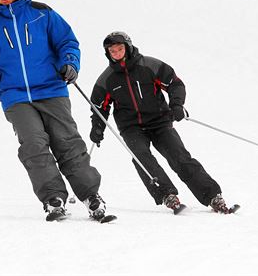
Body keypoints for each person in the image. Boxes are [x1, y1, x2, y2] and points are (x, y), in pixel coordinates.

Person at [0, 0, 107, 221]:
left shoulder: (42, 14)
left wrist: (70, 64)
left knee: (67, 142)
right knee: (33, 145)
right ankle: (53, 197)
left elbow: (67, 42)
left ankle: (90, 195)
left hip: (52, 89)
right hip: (16, 96)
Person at [89, 31, 232, 214]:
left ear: (128, 47)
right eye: (112, 51)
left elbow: (175, 83)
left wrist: (177, 105)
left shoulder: (149, 65)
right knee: (141, 157)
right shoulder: (106, 79)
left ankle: (212, 196)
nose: (116, 53)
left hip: (160, 122)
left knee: (179, 156)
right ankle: (167, 194)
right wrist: (97, 128)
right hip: (131, 128)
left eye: (120, 49)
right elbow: (99, 107)